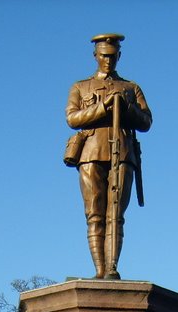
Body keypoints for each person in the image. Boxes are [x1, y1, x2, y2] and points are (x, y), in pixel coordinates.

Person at [65, 33, 152, 279]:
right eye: (104, 56)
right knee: (94, 214)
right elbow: (72, 118)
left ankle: (112, 269)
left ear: (119, 57)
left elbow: (146, 121)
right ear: (95, 56)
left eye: (112, 57)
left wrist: (127, 108)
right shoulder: (80, 87)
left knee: (116, 214)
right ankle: (99, 270)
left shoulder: (130, 88)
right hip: (91, 153)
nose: (108, 61)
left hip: (122, 152)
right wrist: (102, 107)